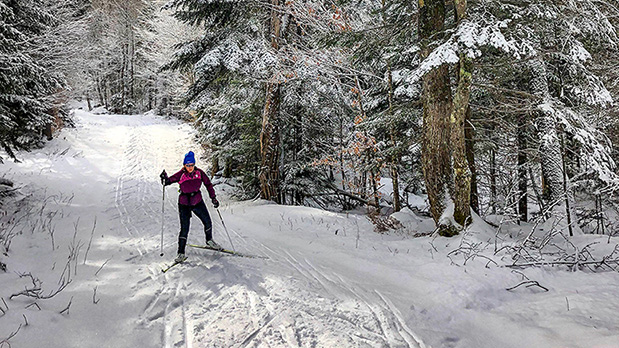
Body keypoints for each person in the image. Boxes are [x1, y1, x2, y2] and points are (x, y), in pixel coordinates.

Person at [160, 151, 221, 263]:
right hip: (184, 204)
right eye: (187, 165)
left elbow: (208, 184)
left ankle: (209, 241)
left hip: (197, 201)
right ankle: (181, 253)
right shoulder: (181, 174)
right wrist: (164, 178)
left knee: (207, 221)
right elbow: (168, 181)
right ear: (184, 165)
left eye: (191, 165)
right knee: (185, 228)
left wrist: (213, 198)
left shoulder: (200, 173)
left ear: (194, 164)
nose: (190, 167)